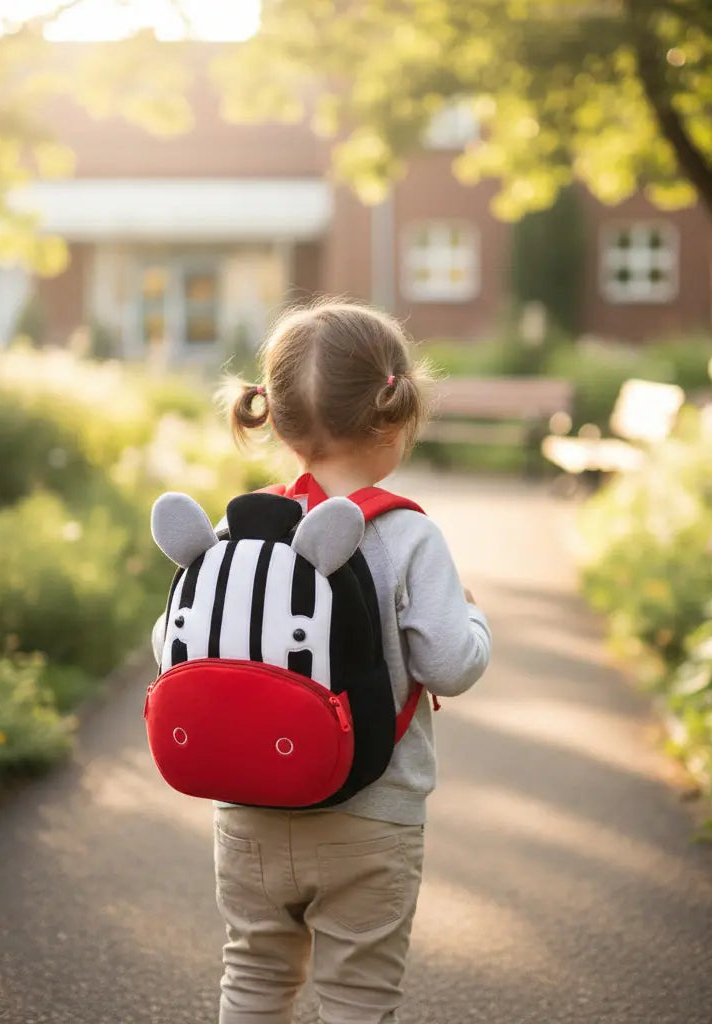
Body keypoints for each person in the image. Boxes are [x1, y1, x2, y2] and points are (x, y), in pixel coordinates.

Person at [210, 299, 491, 1024]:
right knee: (358, 999)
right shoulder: (408, 535)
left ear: (274, 421)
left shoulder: (240, 528)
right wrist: (474, 616)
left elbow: (172, 644)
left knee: (252, 979)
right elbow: (451, 665)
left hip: (248, 809)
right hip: (373, 815)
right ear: (395, 415)